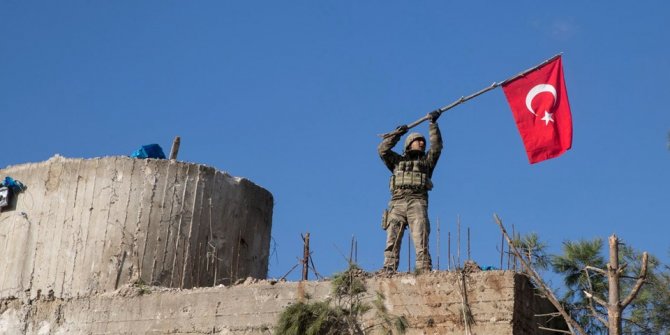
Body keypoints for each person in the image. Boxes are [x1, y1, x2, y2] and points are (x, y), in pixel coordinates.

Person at [378, 111, 443, 273]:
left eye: (422, 141)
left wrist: (432, 124)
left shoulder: (426, 163)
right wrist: (396, 135)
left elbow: (437, 147)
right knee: (392, 236)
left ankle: (423, 268)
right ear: (408, 144)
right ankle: (388, 268)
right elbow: (382, 150)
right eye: (417, 140)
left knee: (420, 235)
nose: (421, 143)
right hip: (397, 202)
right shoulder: (397, 162)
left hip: (417, 201)